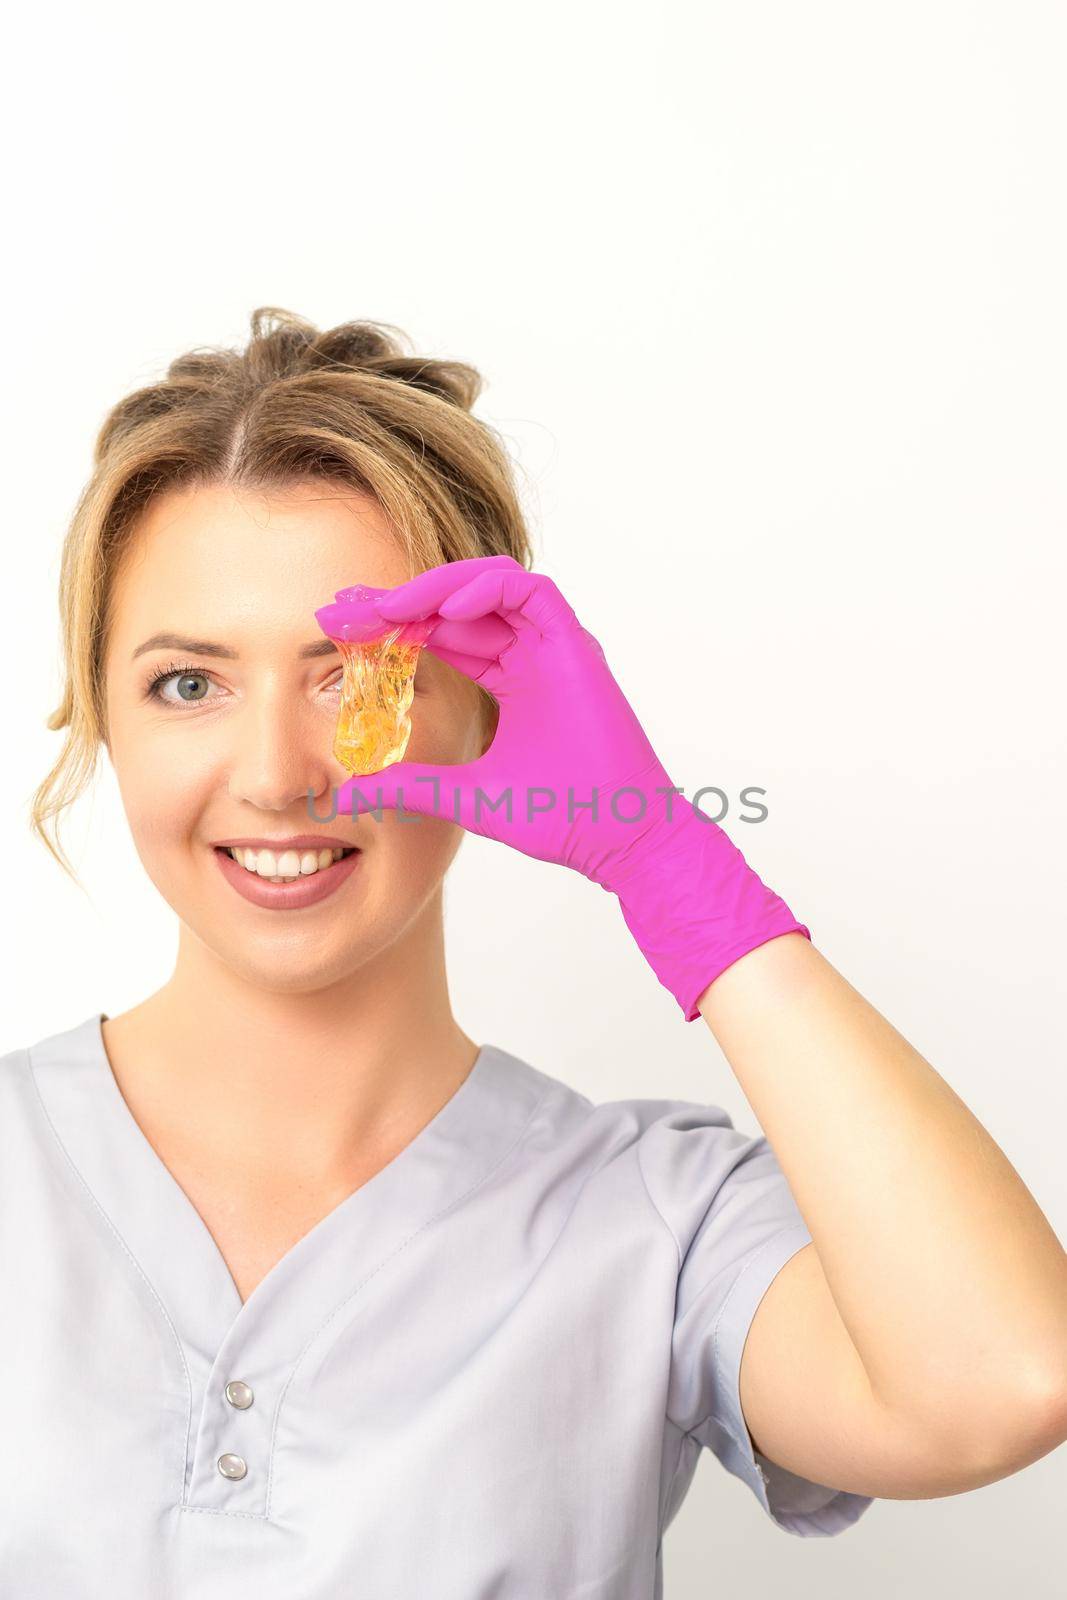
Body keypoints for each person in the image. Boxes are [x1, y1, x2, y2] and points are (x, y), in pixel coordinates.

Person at [4, 308, 1065, 1597]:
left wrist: (664, 855)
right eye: (189, 682)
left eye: (356, 676)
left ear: (490, 704)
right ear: (99, 711)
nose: (279, 775)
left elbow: (1002, 1383)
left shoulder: (659, 1225)